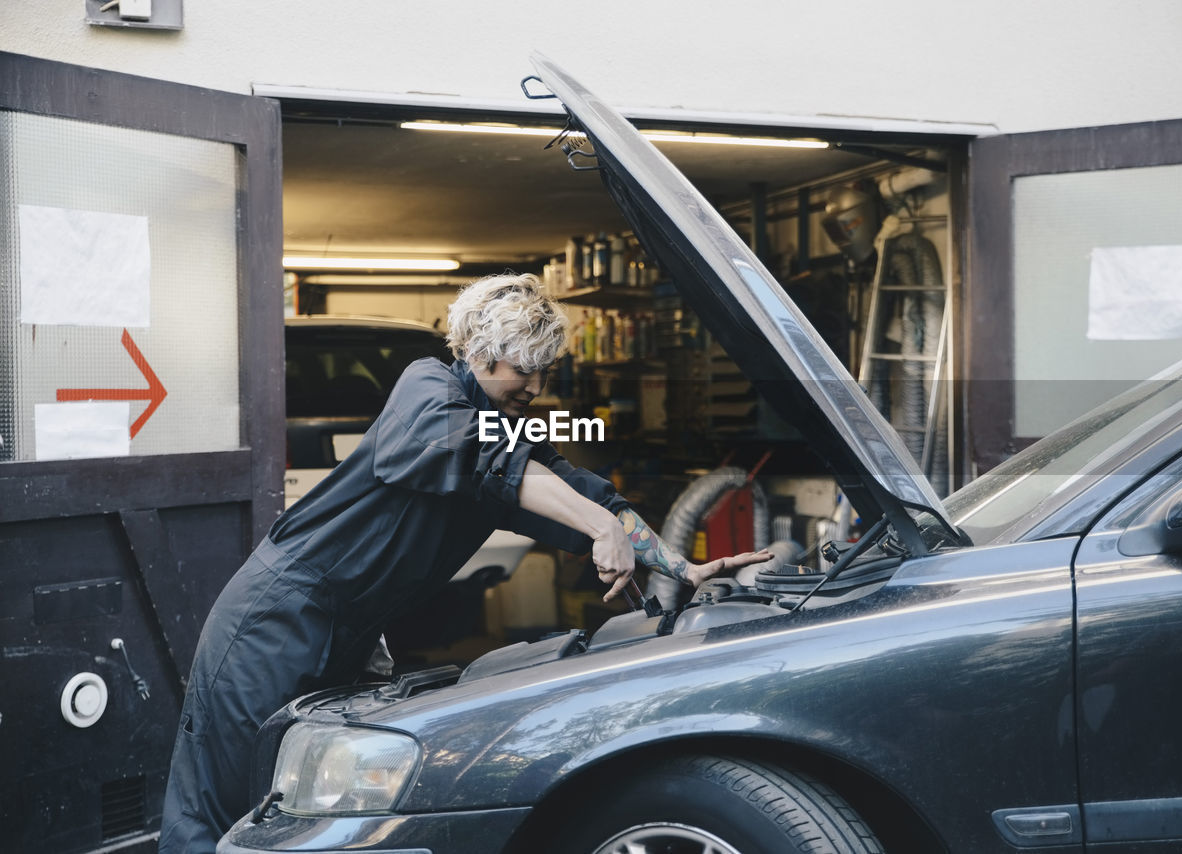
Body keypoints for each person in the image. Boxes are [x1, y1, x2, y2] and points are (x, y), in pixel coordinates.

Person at [159, 273, 771, 852]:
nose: (536, 388)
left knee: (308, 800)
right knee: (222, 804)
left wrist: (673, 565)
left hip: (348, 628)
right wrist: (599, 526)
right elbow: (480, 457)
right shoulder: (427, 390)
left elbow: (570, 487)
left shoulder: (507, 432)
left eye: (546, 372)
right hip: (276, 616)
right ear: (481, 353)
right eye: (525, 370)